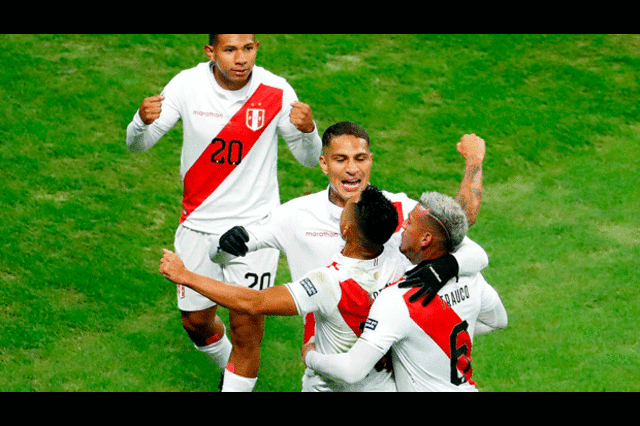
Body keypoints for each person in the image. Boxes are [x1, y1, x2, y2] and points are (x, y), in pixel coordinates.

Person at [213, 121, 489, 389]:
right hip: (328, 371)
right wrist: (220, 245)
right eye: (340, 159)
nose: (352, 170)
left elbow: (460, 221)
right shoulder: (295, 216)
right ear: (324, 163)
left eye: (359, 158)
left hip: (387, 373)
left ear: (370, 160)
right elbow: (227, 250)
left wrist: (474, 161)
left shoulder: (397, 211)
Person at [125, 34, 322, 392]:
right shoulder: (187, 85)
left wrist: (309, 132)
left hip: (255, 231)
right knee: (196, 324)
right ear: (210, 51)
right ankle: (231, 371)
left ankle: (236, 381)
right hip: (197, 224)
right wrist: (140, 121)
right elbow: (137, 145)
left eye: (248, 48)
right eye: (229, 50)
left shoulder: (276, 91)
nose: (240, 59)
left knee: (247, 328)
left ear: (257, 48)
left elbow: (310, 160)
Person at [160, 185, 406, 391]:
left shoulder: (329, 282)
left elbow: (253, 303)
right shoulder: (401, 265)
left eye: (348, 207)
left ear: (346, 229)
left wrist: (186, 276)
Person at [302, 192, 508, 391]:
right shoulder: (472, 278)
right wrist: (430, 337)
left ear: (425, 239)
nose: (402, 227)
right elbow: (498, 320)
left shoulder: (397, 299)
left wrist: (310, 355)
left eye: (409, 222)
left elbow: (352, 371)